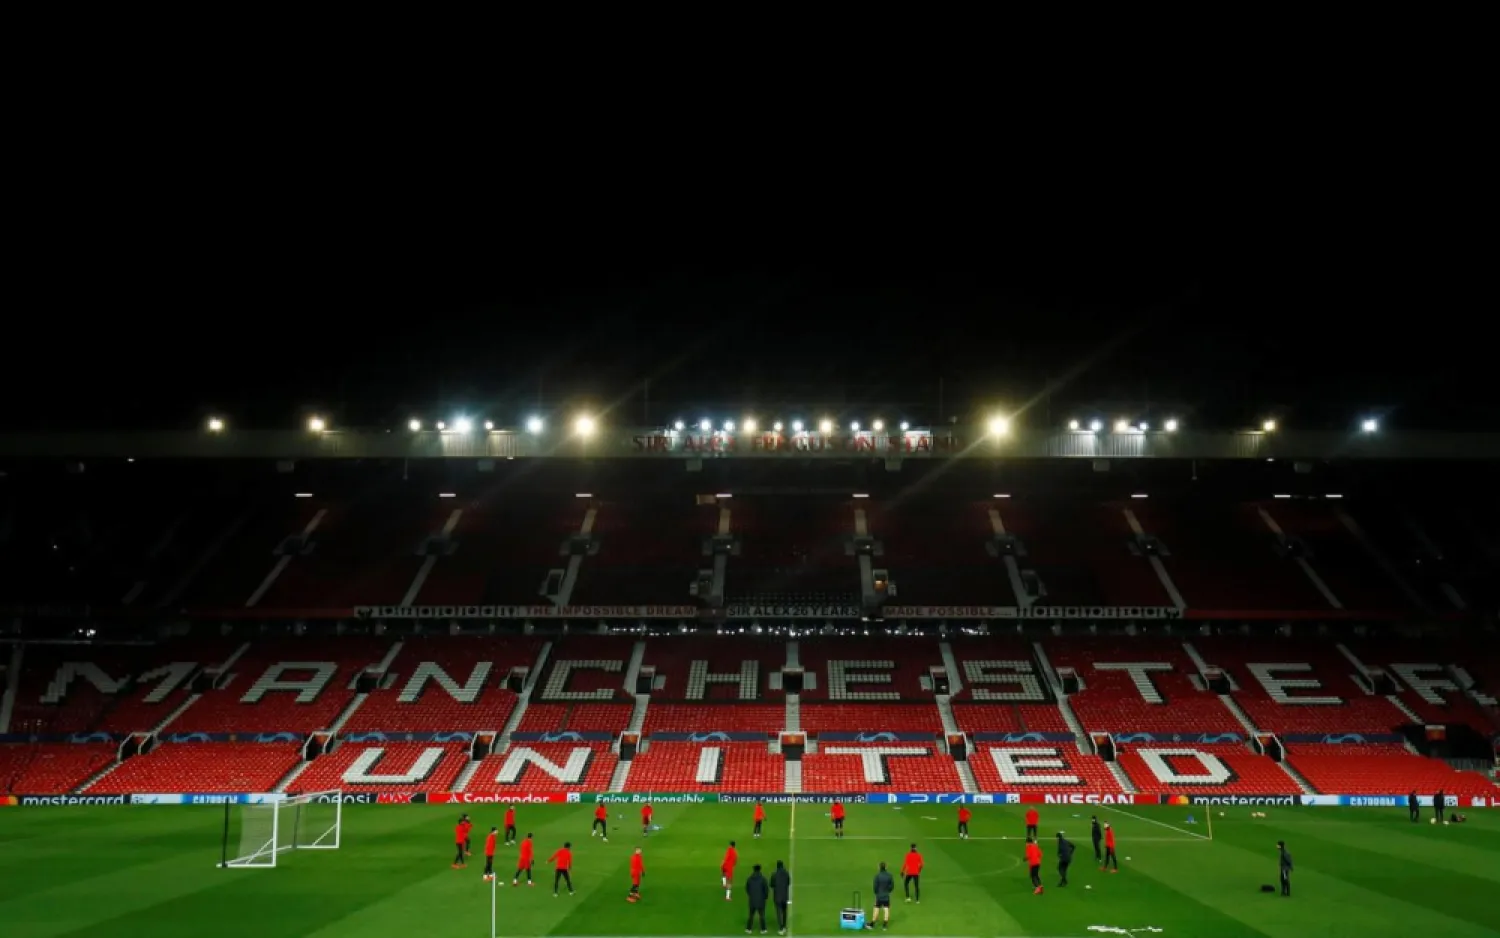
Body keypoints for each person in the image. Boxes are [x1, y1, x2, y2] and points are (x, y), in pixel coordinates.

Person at [746, 863, 770, 934]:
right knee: (762, 915)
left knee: (751, 915)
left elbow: (747, 888)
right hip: (761, 900)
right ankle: (763, 929)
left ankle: (748, 929)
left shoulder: (750, 879)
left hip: (752, 900)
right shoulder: (763, 879)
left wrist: (751, 895)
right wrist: (765, 897)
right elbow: (766, 889)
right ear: (760, 870)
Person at [871, 861, 895, 929]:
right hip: (886, 896)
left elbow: (875, 887)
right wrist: (888, 891)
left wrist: (876, 893)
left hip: (879, 895)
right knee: (886, 908)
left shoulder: (877, 876)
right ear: (886, 867)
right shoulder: (889, 875)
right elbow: (892, 886)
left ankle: (872, 923)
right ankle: (885, 925)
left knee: (876, 908)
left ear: (879, 867)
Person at [770, 860, 791, 936]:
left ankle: (781, 928)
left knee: (779, 913)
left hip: (777, 896)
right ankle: (784, 926)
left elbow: (771, 885)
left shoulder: (774, 874)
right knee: (784, 911)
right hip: (785, 896)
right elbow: (789, 882)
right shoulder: (786, 873)